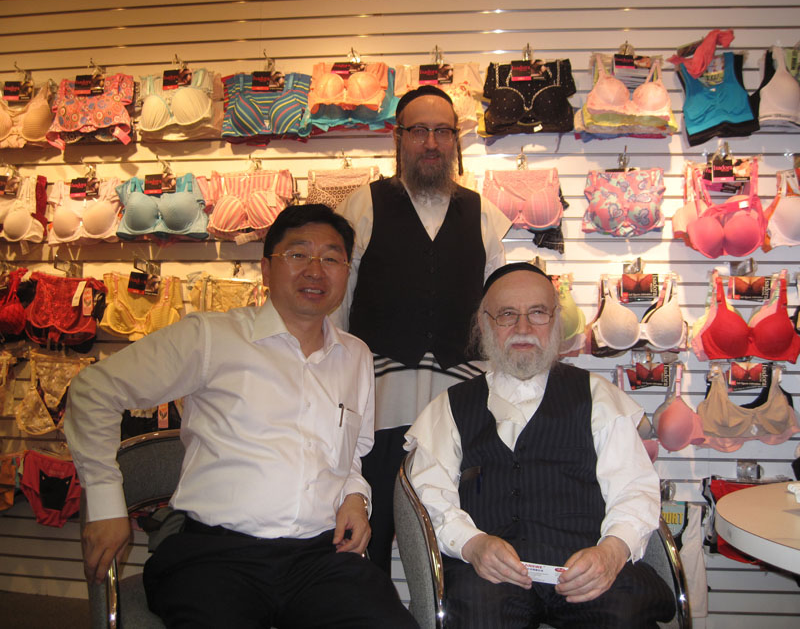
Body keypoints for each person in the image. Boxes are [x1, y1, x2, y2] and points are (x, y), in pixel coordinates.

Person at [65, 204, 417, 629]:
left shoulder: (355, 355)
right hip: (215, 557)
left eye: (331, 258)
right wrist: (105, 503)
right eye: (298, 254)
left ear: (346, 272)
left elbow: (352, 455)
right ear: (266, 269)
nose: (315, 270)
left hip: (318, 558)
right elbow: (93, 391)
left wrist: (355, 497)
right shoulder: (211, 337)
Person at [406, 263, 675, 628]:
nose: (523, 328)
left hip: (586, 568)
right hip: (490, 576)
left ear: (555, 320)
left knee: (622, 614)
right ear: (484, 324)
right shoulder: (449, 407)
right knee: (478, 614)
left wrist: (612, 552)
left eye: (537, 313)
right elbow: (428, 493)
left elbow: (634, 489)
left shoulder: (598, 397)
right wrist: (472, 543)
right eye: (507, 315)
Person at [334, 85, 511, 572]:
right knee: (367, 543)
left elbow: (497, 313)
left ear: (456, 140)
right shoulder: (362, 207)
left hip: (458, 412)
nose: (431, 143)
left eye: (442, 132)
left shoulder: (483, 214)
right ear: (398, 138)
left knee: (458, 542)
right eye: (418, 131)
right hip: (378, 411)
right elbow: (337, 310)